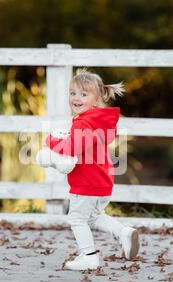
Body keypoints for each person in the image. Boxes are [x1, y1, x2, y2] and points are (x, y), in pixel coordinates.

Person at [44, 68, 140, 271]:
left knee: (77, 218)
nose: (76, 98)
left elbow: (71, 148)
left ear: (96, 100)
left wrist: (50, 140)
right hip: (103, 180)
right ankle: (123, 232)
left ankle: (89, 256)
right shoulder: (99, 121)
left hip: (86, 182)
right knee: (95, 216)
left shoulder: (84, 123)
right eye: (73, 93)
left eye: (83, 94)